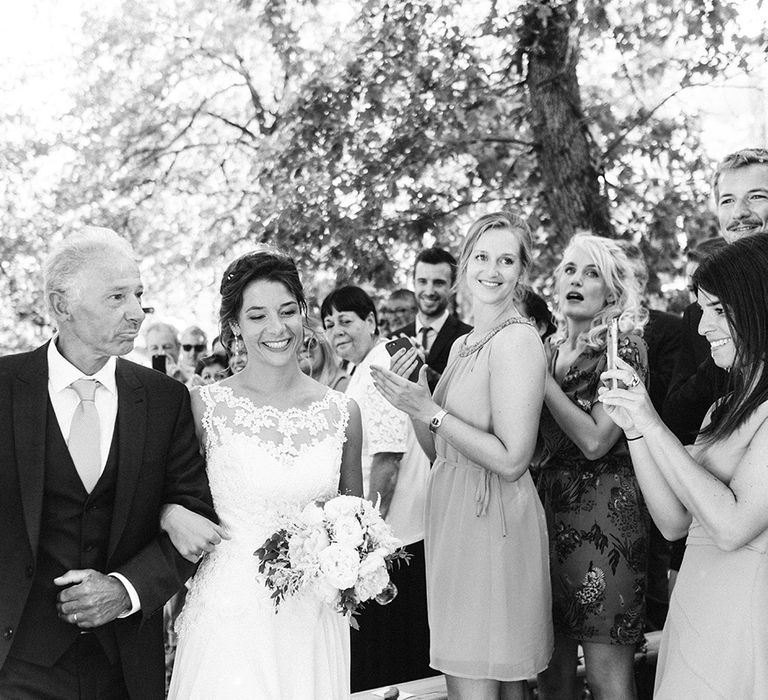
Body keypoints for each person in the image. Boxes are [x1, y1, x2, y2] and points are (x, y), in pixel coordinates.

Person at [0, 227, 215, 699]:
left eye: (138, 295)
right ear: (61, 306)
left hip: (125, 667)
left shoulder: (165, 400)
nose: (136, 312)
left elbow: (195, 513)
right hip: (15, 665)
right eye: (117, 297)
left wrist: (125, 589)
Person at [163, 249, 363, 699]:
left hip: (313, 620)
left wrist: (358, 559)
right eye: (257, 316)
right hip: (229, 618)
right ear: (235, 325)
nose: (277, 328)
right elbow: (164, 494)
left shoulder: (343, 413)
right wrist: (169, 512)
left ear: (303, 314)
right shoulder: (204, 408)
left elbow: (354, 522)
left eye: (288, 311)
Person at [372, 211, 553, 700]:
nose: (492, 270)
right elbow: (439, 450)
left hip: (492, 521)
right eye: (482, 256)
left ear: (522, 270)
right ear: (467, 261)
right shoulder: (462, 346)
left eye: (506, 260)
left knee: (476, 682)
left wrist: (429, 410)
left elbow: (514, 458)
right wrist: (416, 398)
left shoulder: (518, 340)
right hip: (453, 517)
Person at [598, 234, 768, 698]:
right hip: (698, 602)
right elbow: (675, 523)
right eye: (701, 310)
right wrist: (633, 426)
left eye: (717, 311)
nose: (701, 327)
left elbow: (733, 525)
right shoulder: (722, 409)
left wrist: (653, 423)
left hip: (746, 610)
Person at [534, 233, 649, 700]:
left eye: (592, 272)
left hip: (605, 526)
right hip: (541, 522)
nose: (576, 280)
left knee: (607, 682)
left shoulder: (625, 348)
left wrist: (542, 383)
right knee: (551, 678)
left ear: (613, 292)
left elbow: (598, 440)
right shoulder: (542, 350)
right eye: (569, 269)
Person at [321, 286, 433, 691]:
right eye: (330, 323)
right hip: (393, 535)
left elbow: (387, 459)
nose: (337, 331)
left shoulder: (380, 367)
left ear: (371, 321)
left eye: (346, 320)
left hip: (394, 538)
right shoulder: (362, 370)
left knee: (392, 664)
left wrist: (364, 539)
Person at [663, 148, 768, 446]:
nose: (739, 213)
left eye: (757, 196)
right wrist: (726, 346)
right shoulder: (700, 315)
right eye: (727, 200)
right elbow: (676, 418)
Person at [392, 248, 472, 392]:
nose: (429, 291)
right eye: (422, 281)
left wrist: (429, 374)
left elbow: (471, 394)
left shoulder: (470, 338)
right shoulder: (393, 339)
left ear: (453, 286)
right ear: (413, 283)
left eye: (438, 283)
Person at [298, 318, 349, 391]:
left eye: (309, 341)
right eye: (296, 344)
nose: (302, 348)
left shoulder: (343, 384)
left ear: (323, 346)